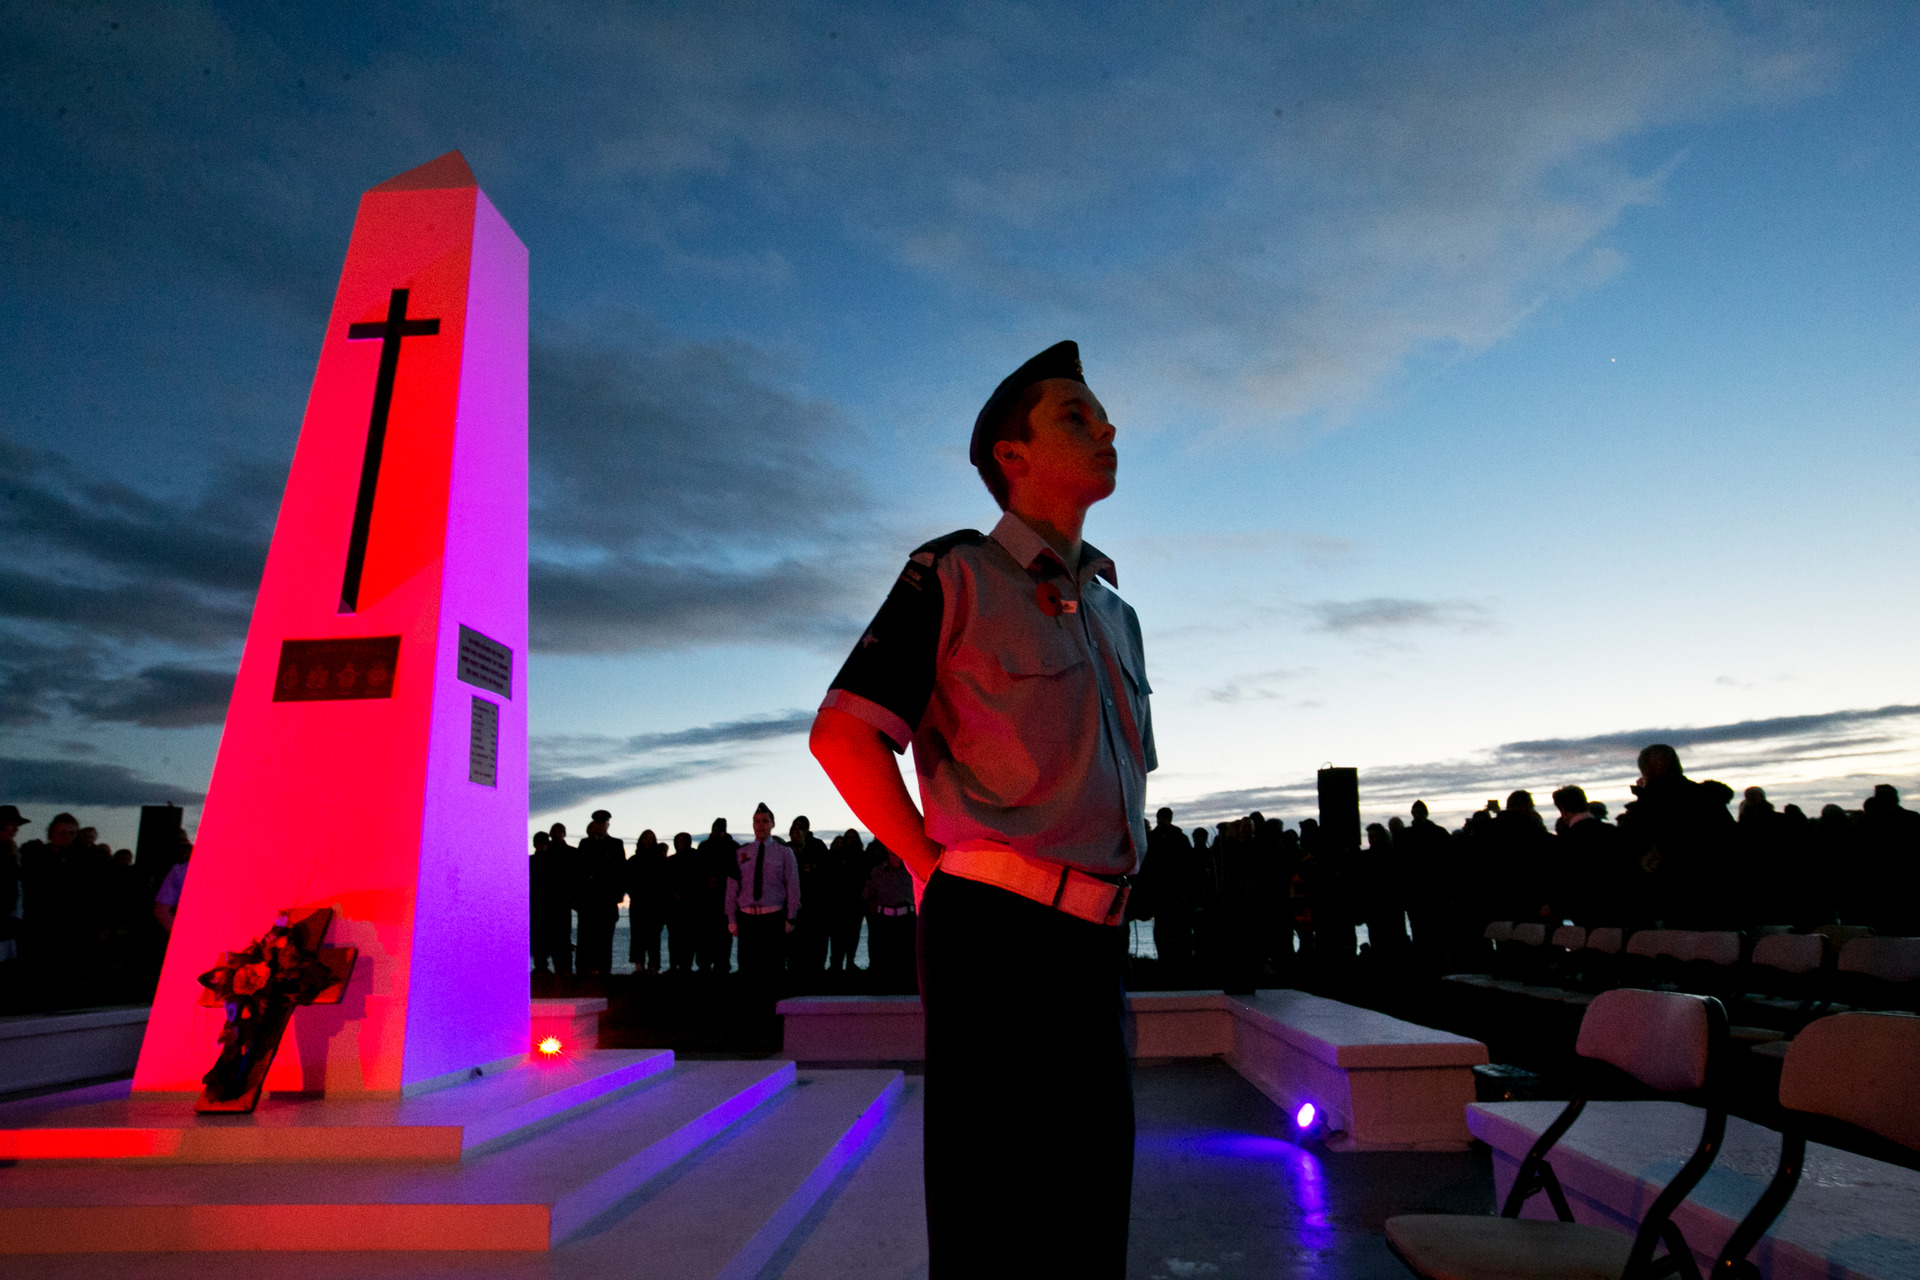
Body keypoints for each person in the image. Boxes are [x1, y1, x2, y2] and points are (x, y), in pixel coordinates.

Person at [810, 340, 1150, 1276]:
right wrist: (929, 868)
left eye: (1102, 412)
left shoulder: (1116, 612)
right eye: (1077, 415)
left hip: (1098, 941)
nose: (1108, 427)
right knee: (993, 1213)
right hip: (995, 930)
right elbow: (843, 732)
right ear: (1014, 454)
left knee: (1089, 1206)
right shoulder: (957, 573)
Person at [725, 803, 800, 996]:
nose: (760, 825)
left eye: (765, 821)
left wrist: (791, 917)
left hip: (772, 919)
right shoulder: (741, 853)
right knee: (747, 971)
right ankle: (750, 1017)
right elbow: (732, 888)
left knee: (773, 971)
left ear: (772, 824)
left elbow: (792, 886)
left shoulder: (784, 853)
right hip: (747, 919)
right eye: (756, 821)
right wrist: (731, 919)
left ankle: (772, 1017)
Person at [575, 810, 625, 976]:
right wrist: (578, 899)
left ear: (607, 824)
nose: (601, 825)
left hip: (607, 900)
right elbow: (578, 873)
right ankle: (583, 972)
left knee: (605, 939)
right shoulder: (585, 844)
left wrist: (617, 896)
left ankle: (605, 972)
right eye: (598, 822)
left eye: (603, 822)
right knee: (585, 938)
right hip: (588, 901)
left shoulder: (616, 844)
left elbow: (620, 872)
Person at [862, 846, 916, 993]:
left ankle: (907, 988)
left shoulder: (912, 871)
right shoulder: (878, 872)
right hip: (884, 920)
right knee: (884, 957)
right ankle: (884, 988)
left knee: (907, 957)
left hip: (907, 919)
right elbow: (867, 895)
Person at [787, 816, 832, 982]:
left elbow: (826, 876)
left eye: (799, 829)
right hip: (792, 908)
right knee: (793, 948)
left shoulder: (818, 847)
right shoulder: (786, 849)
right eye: (794, 830)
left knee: (815, 946)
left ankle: (816, 978)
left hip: (815, 908)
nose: (796, 833)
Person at [529, 830, 572, 977]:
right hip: (536, 906)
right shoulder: (529, 861)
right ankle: (541, 966)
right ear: (535, 845)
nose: (540, 846)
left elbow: (561, 884)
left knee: (554, 938)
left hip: (552, 907)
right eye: (538, 843)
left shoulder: (555, 862)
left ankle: (558, 967)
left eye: (543, 843)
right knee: (537, 938)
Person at [626, 828, 668, 974]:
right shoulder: (633, 860)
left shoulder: (661, 861)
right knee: (637, 935)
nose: (648, 841)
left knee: (654, 937)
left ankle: (653, 965)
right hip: (638, 903)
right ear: (640, 840)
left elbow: (666, 882)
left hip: (656, 904)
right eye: (645, 838)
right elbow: (627, 880)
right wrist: (633, 893)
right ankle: (639, 964)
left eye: (651, 838)